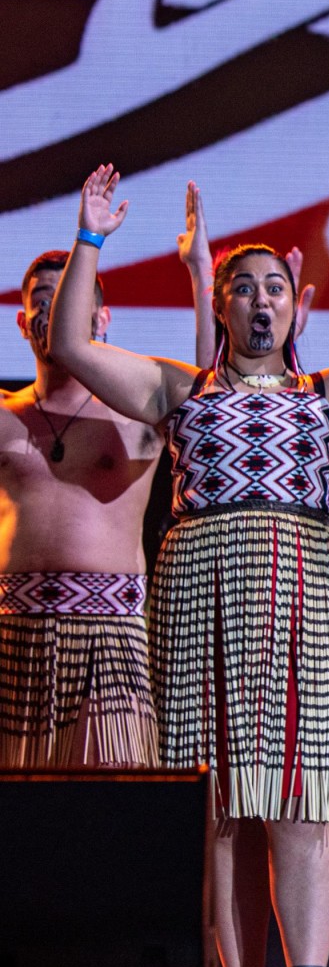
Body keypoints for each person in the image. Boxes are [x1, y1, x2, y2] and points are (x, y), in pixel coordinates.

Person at [48, 162, 329, 967]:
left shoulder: (328, 396)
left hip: (304, 595)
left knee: (298, 805)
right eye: (242, 288)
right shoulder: (179, 390)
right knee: (221, 809)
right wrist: (89, 238)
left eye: (275, 288)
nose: (261, 302)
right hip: (202, 596)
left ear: (295, 307)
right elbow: (74, 344)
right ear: (220, 307)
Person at [0, 252, 174, 768]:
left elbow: (207, 397)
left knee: (109, 818)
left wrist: (196, 272)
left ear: (101, 318)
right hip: (14, 639)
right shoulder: (4, 417)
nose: (54, 314)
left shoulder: (137, 415)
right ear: (21, 320)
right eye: (42, 301)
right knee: (17, 826)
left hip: (111, 639)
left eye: (68, 301)